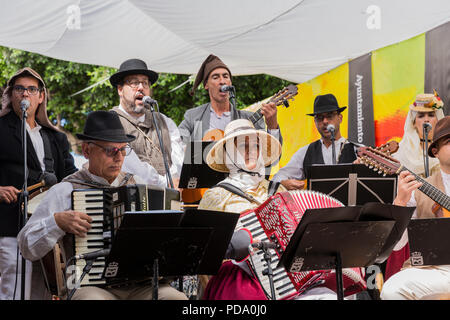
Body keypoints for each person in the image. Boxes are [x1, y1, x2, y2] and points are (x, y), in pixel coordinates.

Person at [18, 111, 187, 300]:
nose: (119, 157)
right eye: (110, 150)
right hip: (90, 285)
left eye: (123, 149)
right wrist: (56, 222)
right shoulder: (65, 190)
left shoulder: (137, 184)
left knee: (176, 298)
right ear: (87, 151)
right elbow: (26, 246)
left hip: (141, 284)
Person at [198, 119, 337, 300]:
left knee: (329, 296)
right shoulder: (215, 195)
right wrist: (233, 245)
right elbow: (200, 250)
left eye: (255, 146)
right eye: (242, 146)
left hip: (287, 274)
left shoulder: (277, 189)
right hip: (241, 275)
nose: (250, 151)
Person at [0, 67, 77, 300]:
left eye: (31, 89)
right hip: (11, 226)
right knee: (13, 292)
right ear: (11, 94)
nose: (25, 94)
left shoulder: (56, 137)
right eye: (19, 89)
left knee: (43, 293)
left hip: (49, 232)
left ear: (41, 96)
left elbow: (72, 178)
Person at [380, 116, 450, 300]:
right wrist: (400, 203)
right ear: (435, 151)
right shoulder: (417, 191)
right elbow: (398, 244)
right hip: (436, 269)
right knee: (391, 289)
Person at [109, 58, 184, 187]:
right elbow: (132, 166)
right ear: (120, 90)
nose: (141, 87)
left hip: (173, 192)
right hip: (134, 197)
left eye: (145, 83)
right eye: (134, 83)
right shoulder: (112, 122)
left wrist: (175, 179)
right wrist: (165, 183)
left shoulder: (165, 121)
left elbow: (179, 157)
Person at [178, 54, 282, 145]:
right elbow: (176, 147)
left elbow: (271, 159)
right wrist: (200, 150)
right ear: (206, 85)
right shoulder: (193, 117)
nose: (222, 81)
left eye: (225, 76)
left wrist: (272, 127)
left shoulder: (249, 120)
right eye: (215, 77)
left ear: (230, 83)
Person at [272, 93, 357, 190]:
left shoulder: (356, 149)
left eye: (330, 116)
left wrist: (362, 169)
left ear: (340, 118)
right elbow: (278, 177)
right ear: (315, 122)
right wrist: (284, 183)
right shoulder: (306, 151)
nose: (325, 121)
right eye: (319, 118)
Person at [393, 92, 445, 178]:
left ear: (438, 120)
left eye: (431, 115)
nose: (426, 120)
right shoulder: (404, 150)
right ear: (413, 123)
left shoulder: (446, 147)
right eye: (421, 116)